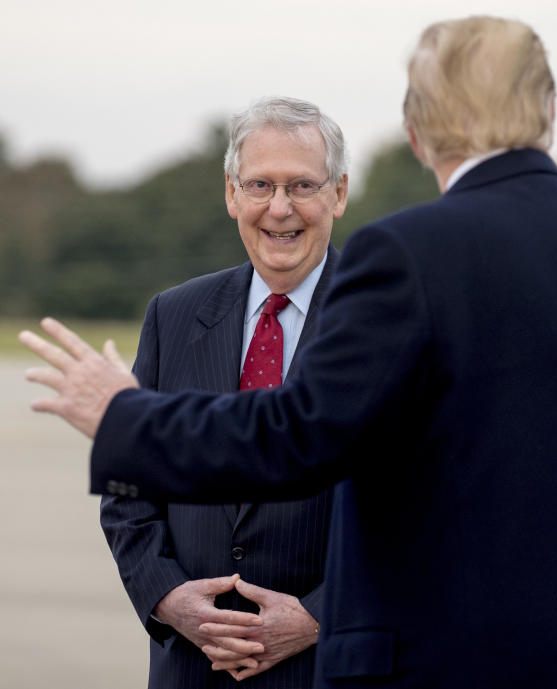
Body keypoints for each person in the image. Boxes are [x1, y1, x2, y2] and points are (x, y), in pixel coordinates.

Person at [21, 16, 557, 688]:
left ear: (419, 132)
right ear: (548, 113)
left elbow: (297, 433)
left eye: (301, 185)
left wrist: (125, 416)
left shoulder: (409, 256)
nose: (280, 205)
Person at [99, 96, 348, 687]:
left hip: (328, 667)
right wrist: (167, 599)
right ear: (232, 193)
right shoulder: (173, 316)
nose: (279, 208)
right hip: (191, 668)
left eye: (302, 186)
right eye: (260, 184)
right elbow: (127, 487)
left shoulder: (391, 322)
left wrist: (318, 616)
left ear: (337, 194)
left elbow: (425, 515)